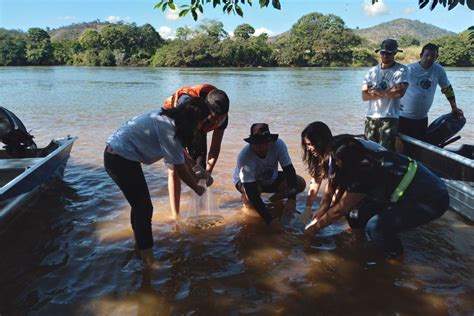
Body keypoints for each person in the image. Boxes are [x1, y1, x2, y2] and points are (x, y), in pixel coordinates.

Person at [305, 135, 449, 260]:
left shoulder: (363, 172)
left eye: (335, 161)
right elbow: (339, 198)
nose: (333, 164)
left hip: (434, 198)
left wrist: (313, 230)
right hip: (412, 192)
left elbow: (340, 210)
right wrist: (321, 213)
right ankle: (359, 242)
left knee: (376, 227)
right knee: (356, 212)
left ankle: (396, 259)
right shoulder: (364, 159)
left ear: (346, 160)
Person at [104, 97, 208, 267]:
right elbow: (180, 169)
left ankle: (140, 248)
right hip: (118, 158)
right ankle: (149, 260)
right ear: (193, 119)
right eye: (201, 122)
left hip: (120, 155)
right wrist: (197, 188)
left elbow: (181, 155)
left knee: (139, 206)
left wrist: (198, 173)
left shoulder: (170, 119)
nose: (201, 127)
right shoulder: (169, 128)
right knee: (144, 207)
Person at [162, 84, 230, 219]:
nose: (217, 121)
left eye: (220, 118)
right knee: (175, 167)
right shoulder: (188, 107)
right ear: (206, 111)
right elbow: (179, 149)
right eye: (213, 118)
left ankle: (200, 208)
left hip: (199, 124)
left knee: (201, 170)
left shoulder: (222, 116)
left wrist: (207, 172)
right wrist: (192, 165)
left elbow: (215, 148)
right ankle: (175, 215)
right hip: (176, 121)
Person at [233, 123, 306, 231]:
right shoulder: (245, 156)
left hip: (270, 178)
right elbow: (251, 191)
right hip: (248, 183)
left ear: (270, 141)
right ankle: (247, 208)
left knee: (300, 183)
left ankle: (270, 200)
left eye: (265, 143)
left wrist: (292, 199)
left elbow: (289, 171)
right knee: (251, 204)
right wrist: (269, 220)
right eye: (257, 144)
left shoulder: (278, 145)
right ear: (251, 143)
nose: (262, 148)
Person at [399, 43, 464, 140]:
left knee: (418, 148)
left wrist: (454, 107)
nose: (429, 58)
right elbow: (396, 90)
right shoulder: (409, 69)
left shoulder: (438, 70)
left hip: (422, 119)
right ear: (421, 56)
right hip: (403, 117)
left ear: (436, 57)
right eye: (427, 55)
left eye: (433, 56)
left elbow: (447, 89)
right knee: (400, 147)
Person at [362, 38, 409, 150]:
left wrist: (377, 91)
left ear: (395, 53)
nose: (385, 55)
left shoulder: (402, 70)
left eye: (389, 53)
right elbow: (364, 95)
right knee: (369, 151)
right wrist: (388, 92)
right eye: (382, 52)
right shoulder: (372, 71)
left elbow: (399, 93)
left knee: (384, 152)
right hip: (370, 117)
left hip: (389, 118)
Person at [299, 121, 333, 224]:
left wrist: (320, 215)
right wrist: (307, 208)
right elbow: (315, 182)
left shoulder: (335, 154)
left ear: (320, 142)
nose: (308, 149)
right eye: (306, 145)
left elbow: (330, 190)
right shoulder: (319, 155)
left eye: (309, 144)